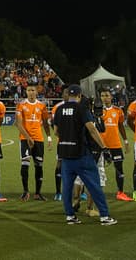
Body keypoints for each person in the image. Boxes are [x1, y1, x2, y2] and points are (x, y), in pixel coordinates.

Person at [52, 84, 118, 226]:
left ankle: (70, 216)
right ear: (80, 95)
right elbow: (92, 130)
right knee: (94, 185)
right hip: (81, 153)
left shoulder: (59, 109)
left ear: (68, 95)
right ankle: (105, 216)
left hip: (65, 153)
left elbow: (56, 131)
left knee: (67, 187)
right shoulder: (82, 108)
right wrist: (104, 147)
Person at [96, 89, 132, 201]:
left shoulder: (118, 111)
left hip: (115, 144)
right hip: (100, 145)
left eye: (107, 95)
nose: (105, 98)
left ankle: (120, 192)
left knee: (119, 169)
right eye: (102, 95)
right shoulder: (97, 111)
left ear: (111, 97)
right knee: (95, 169)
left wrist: (125, 141)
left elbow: (121, 126)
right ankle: (90, 192)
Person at [16, 84, 50, 201]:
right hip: (25, 139)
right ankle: (25, 191)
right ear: (26, 92)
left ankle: (38, 193)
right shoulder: (21, 105)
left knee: (39, 166)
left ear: (36, 92)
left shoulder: (42, 106)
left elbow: (45, 123)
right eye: (29, 90)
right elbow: (18, 124)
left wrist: (49, 137)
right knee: (25, 164)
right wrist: (28, 138)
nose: (31, 92)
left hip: (39, 139)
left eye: (33, 90)